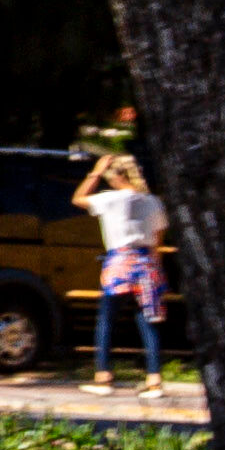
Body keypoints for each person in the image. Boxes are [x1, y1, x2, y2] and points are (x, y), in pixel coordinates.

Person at [72, 150, 169, 388]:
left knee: (107, 319)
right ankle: (154, 376)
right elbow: (158, 240)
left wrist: (94, 172)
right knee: (147, 320)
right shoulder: (153, 202)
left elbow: (78, 198)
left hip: (120, 262)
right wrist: (157, 271)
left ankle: (103, 373)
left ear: (117, 176)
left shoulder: (110, 199)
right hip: (146, 263)